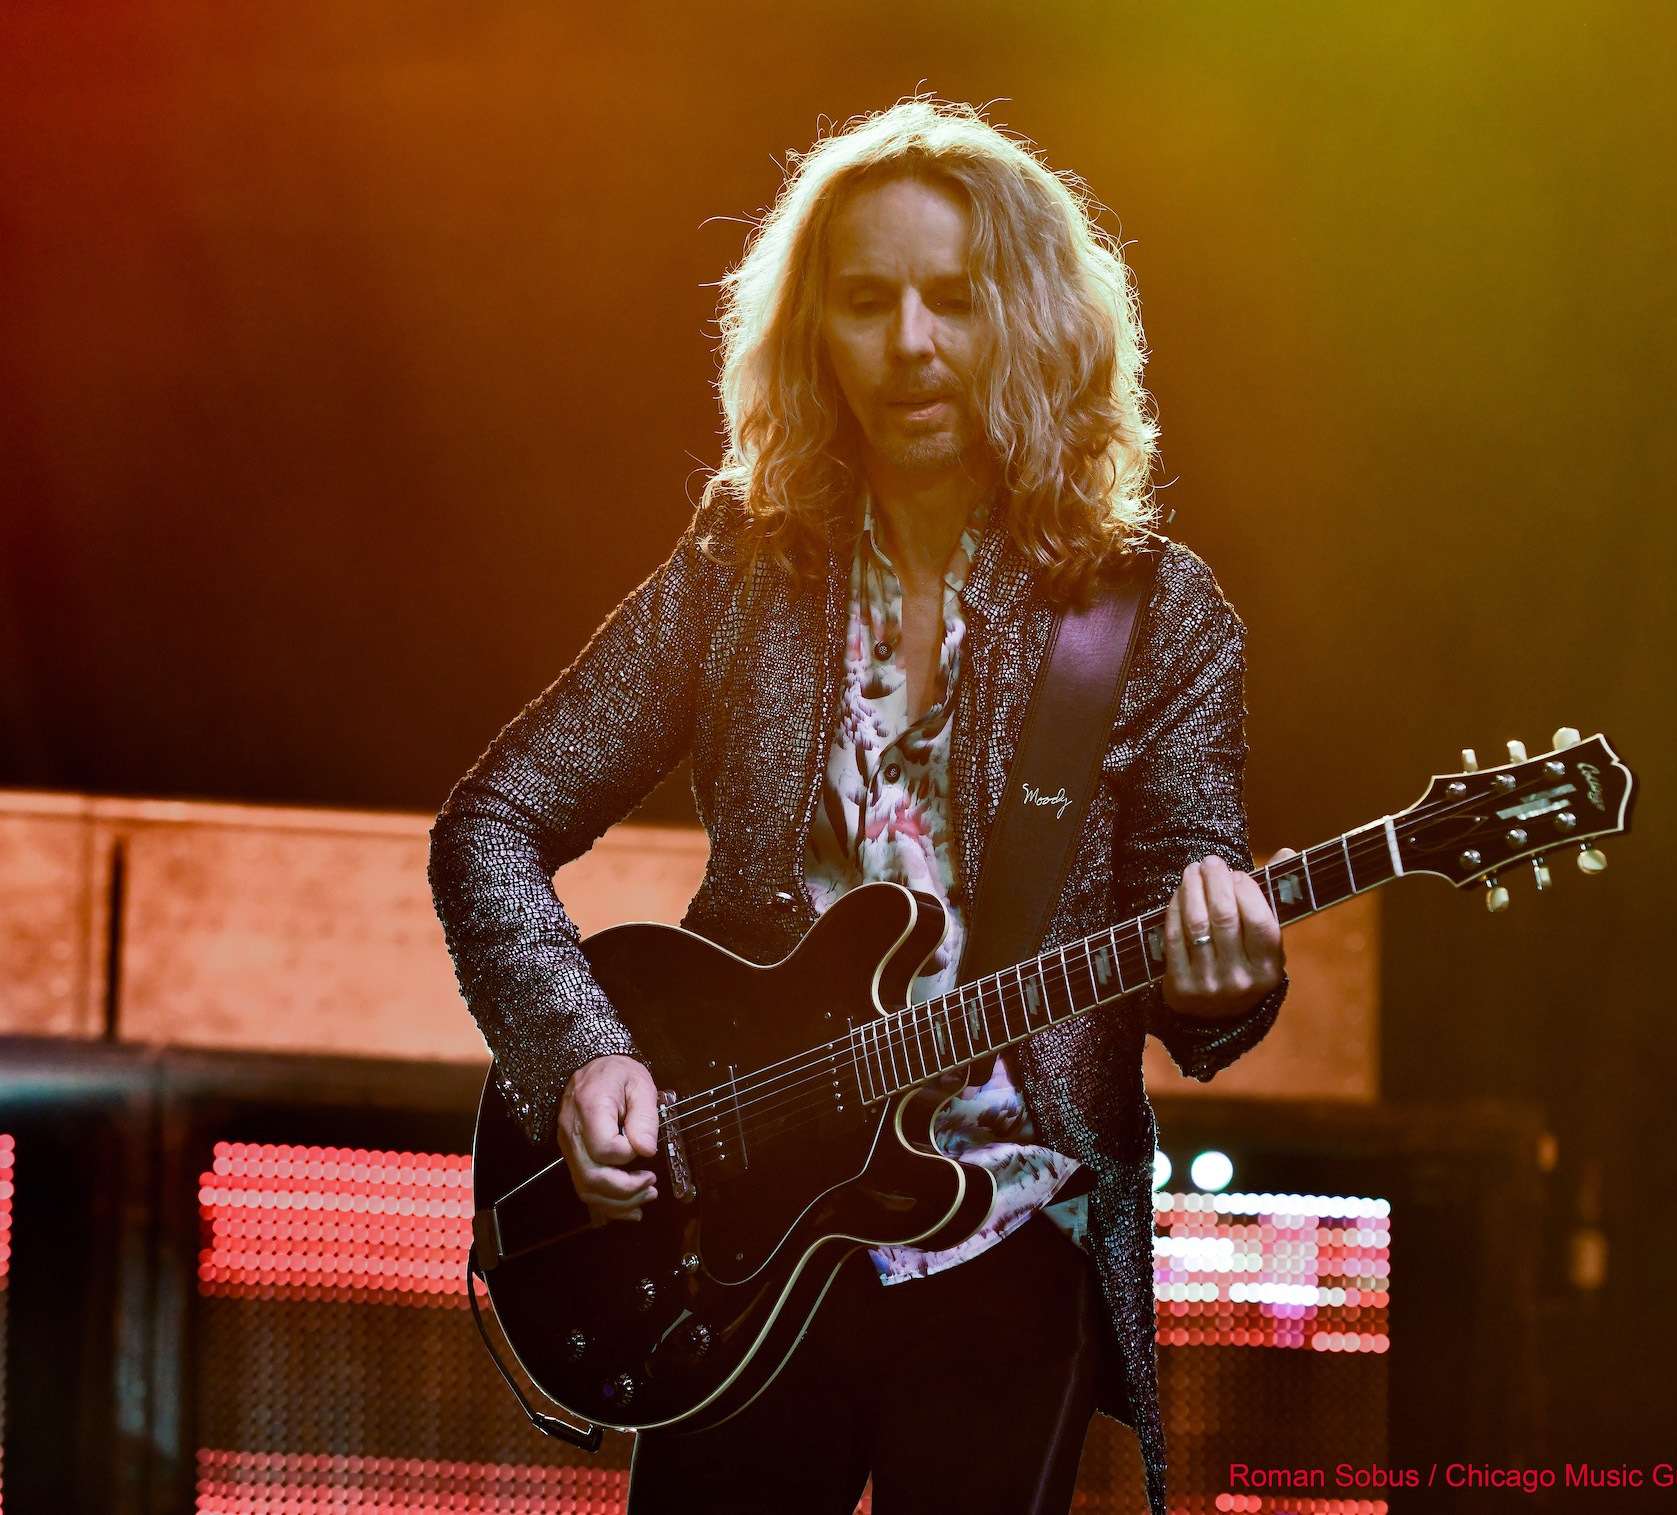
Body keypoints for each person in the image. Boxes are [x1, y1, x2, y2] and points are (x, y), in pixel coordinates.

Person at [428, 97, 1289, 1515]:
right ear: (814, 332)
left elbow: (1198, 943)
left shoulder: (1151, 614)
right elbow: (492, 822)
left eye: (956, 299)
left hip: (1013, 1238)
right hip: (739, 1234)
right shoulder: (743, 570)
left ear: (1033, 321)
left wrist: (1223, 980)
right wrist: (579, 1057)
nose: (911, 343)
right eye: (868, 301)